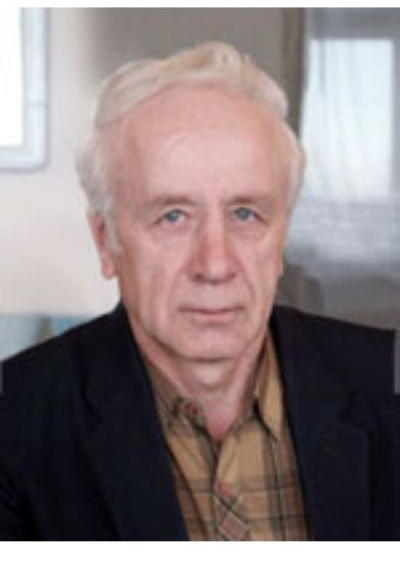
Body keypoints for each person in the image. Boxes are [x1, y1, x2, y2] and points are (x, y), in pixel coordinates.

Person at [0, 41, 399, 541]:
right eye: (173, 216)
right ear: (106, 241)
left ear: (281, 239)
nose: (215, 265)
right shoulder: (15, 422)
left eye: (245, 214)